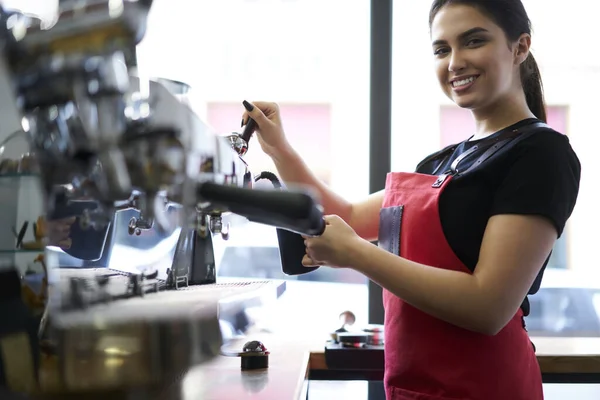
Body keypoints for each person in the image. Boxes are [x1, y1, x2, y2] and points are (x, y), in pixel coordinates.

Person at [241, 0, 580, 399]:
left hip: (485, 387)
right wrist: (278, 147)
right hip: (411, 388)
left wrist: (356, 255)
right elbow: (345, 214)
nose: (455, 62)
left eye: (473, 41)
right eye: (442, 49)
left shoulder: (541, 153)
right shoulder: (441, 161)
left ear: (520, 47)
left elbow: (488, 306)